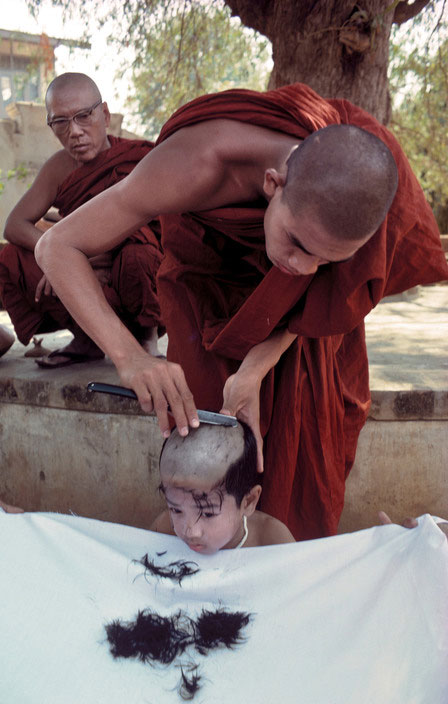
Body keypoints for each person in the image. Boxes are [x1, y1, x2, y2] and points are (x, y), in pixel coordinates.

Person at [34, 83, 448, 539]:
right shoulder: (193, 165)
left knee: (305, 439)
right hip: (208, 288)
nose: (301, 268)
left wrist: (255, 367)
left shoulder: (352, 180)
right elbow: (57, 246)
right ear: (274, 183)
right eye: (299, 244)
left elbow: (322, 293)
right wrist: (131, 358)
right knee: (208, 433)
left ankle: (284, 561)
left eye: (324, 261)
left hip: (297, 324)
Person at [0, 72, 164, 367]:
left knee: (139, 254)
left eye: (84, 116)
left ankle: (146, 339)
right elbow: (15, 224)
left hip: (130, 278)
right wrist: (58, 257)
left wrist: (81, 256)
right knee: (13, 258)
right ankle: (86, 340)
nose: (74, 132)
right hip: (85, 279)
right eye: (60, 122)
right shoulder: (58, 169)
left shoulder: (139, 159)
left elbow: (157, 231)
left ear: (105, 115)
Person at [151, 421, 295, 553]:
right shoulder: (164, 530)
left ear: (248, 501)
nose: (190, 532)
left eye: (208, 513)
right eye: (176, 510)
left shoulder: (271, 541)